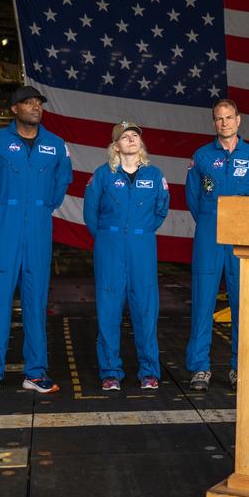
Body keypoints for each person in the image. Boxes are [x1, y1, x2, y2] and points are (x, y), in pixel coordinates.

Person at [0, 85, 72, 397]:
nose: (34, 107)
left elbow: (61, 182)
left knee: (36, 301)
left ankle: (35, 372)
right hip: (3, 226)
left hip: (38, 227)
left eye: (38, 103)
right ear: (13, 108)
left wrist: (42, 208)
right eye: (27, 103)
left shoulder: (55, 146)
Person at [184, 100, 249, 392]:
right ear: (214, 123)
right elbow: (193, 198)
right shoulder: (202, 156)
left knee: (242, 303)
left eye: (229, 117)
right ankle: (199, 368)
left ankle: (239, 366)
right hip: (209, 233)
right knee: (203, 301)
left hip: (241, 236)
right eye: (219, 119)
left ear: (239, 120)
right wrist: (211, 221)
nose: (224, 123)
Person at [83, 121, 169, 391]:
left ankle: (149, 371)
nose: (131, 139)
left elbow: (161, 211)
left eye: (135, 136)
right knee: (108, 310)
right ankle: (110, 371)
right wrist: (109, 238)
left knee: (145, 309)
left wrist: (138, 233)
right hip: (109, 246)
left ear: (140, 143)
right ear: (115, 145)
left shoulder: (155, 175)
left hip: (142, 246)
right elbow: (90, 213)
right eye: (125, 137)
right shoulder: (102, 175)